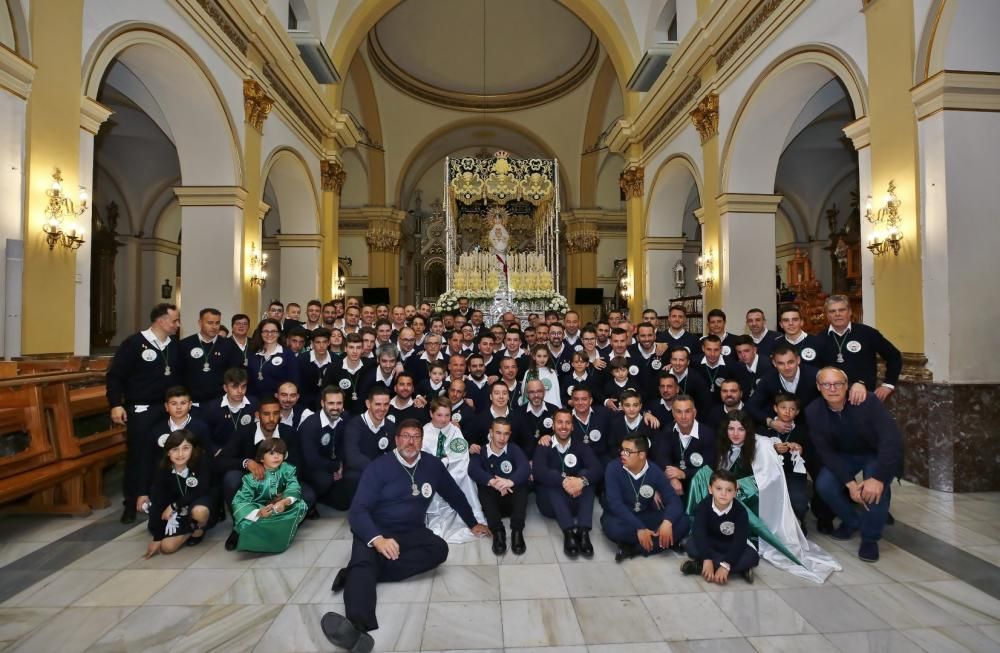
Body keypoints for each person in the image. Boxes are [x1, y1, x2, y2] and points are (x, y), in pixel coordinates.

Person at [322, 419, 489, 652]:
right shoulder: (378, 467)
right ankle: (357, 628)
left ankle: (359, 573)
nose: (411, 441)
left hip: (411, 530)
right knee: (364, 564)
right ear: (396, 439)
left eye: (416, 436)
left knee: (439, 550)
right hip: (375, 529)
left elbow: (453, 493)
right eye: (406, 436)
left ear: (422, 440)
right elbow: (358, 511)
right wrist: (378, 540)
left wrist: (473, 523)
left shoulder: (431, 465)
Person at [807, 367, 902, 562]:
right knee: (825, 485)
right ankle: (852, 521)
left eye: (838, 384)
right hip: (844, 455)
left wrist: (878, 478)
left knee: (875, 492)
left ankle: (870, 538)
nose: (832, 388)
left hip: (874, 453)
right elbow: (826, 452)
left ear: (846, 386)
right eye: (826, 384)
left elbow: (890, 440)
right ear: (818, 387)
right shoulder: (813, 411)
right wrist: (850, 484)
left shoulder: (867, 401)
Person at [107, 302, 180, 523]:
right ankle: (131, 503)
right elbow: (115, 376)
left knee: (166, 454)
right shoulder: (134, 343)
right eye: (175, 320)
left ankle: (159, 497)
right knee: (139, 454)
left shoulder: (174, 346)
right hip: (141, 408)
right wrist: (115, 404)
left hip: (168, 409)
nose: (178, 324)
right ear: (161, 320)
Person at [215, 395, 300, 551]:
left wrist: (284, 489)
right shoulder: (244, 432)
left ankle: (274, 525)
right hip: (252, 486)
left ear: (280, 415)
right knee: (231, 478)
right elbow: (221, 461)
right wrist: (247, 462)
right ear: (257, 415)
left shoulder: (289, 433)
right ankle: (239, 526)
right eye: (266, 414)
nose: (271, 418)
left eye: (275, 413)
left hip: (280, 485)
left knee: (307, 496)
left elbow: (299, 464)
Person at [602, 434, 689, 562]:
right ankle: (665, 542)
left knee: (684, 522)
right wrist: (639, 528)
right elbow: (616, 505)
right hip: (622, 518)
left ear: (642, 455)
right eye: (622, 449)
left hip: (646, 515)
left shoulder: (654, 471)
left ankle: (633, 549)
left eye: (628, 451)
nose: (622, 454)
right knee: (613, 528)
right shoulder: (613, 468)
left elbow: (674, 500)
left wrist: (667, 522)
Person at [532, 408, 602, 557]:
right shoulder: (544, 445)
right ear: (553, 425)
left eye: (567, 423)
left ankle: (583, 532)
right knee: (551, 478)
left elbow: (597, 469)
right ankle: (568, 532)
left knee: (586, 477)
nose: (563, 426)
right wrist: (565, 481)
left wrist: (581, 482)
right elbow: (538, 472)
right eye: (560, 422)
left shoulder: (581, 445)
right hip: (550, 505)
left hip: (575, 501)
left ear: (572, 426)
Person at [422, 397, 487, 543]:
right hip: (432, 475)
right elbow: (423, 459)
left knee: (466, 476)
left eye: (447, 415)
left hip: (454, 472)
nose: (444, 420)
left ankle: (471, 516)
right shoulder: (424, 433)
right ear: (431, 414)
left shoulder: (455, 431)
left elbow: (461, 456)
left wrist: (445, 464)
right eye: (439, 415)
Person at [681, 469, 759, 584]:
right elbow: (699, 532)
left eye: (729, 490)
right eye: (719, 489)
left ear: (735, 492)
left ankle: (700, 566)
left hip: (730, 546)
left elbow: (740, 540)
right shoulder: (704, 506)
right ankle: (737, 569)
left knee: (753, 556)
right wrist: (707, 558)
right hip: (710, 544)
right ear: (710, 489)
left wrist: (726, 565)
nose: (723, 493)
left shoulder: (740, 511)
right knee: (690, 544)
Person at [231, 438, 309, 553]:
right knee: (245, 522)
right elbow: (239, 501)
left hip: (279, 508)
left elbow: (293, 486)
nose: (277, 457)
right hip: (260, 512)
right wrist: (258, 512)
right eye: (272, 453)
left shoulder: (287, 469)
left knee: (300, 505)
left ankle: (279, 535)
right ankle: (263, 540)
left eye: (280, 453)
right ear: (262, 458)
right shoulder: (251, 478)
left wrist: (284, 502)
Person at [145, 429, 213, 558]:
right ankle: (191, 528)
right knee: (167, 547)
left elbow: (201, 489)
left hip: (199, 502)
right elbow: (158, 503)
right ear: (168, 452)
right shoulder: (162, 470)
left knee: (200, 512)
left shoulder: (201, 463)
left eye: (186, 448)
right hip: (178, 514)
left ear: (193, 449)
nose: (180, 454)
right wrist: (157, 538)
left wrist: (174, 505)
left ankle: (199, 528)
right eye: (175, 449)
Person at [821, 295, 902, 405]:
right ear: (827, 315)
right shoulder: (819, 338)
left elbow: (894, 356)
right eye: (832, 311)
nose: (837, 314)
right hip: (831, 400)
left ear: (849, 312)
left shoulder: (868, 333)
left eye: (842, 310)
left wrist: (888, 384)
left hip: (864, 397)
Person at [468, 417, 529, 555]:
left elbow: (525, 468)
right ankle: (498, 533)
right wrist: (493, 482)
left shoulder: (513, 448)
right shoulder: (481, 450)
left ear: (510, 434)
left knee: (521, 485)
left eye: (506, 434)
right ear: (491, 432)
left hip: (512, 502)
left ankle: (517, 531)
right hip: (493, 505)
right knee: (484, 487)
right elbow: (472, 470)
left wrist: (509, 482)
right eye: (498, 433)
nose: (502, 438)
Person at [178, 308, 244, 408]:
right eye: (210, 323)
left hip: (219, 403)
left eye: (217, 323)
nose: (214, 327)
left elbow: (236, 374)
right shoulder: (185, 344)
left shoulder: (229, 346)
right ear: (200, 323)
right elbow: (179, 374)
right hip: (192, 403)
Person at [341, 386, 397, 502]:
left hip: (381, 471)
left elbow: (394, 453)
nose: (382, 408)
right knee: (355, 478)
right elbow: (352, 457)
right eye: (377, 404)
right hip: (360, 471)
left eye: (386, 404)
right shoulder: (354, 425)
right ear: (368, 404)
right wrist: (376, 470)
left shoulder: (390, 426)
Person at [299, 386, 350, 510]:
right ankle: (311, 498)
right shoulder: (311, 424)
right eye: (331, 403)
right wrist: (336, 466)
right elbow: (311, 460)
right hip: (310, 469)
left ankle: (324, 496)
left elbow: (344, 444)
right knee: (324, 481)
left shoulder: (345, 418)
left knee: (344, 503)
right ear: (322, 403)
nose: (335, 408)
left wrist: (341, 464)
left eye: (339, 403)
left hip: (332, 464)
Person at [766, 393, 810, 531]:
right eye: (783, 407)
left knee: (798, 502)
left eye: (792, 409)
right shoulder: (764, 429)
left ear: (797, 412)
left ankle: (798, 522)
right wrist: (772, 448)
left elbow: (811, 454)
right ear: (775, 408)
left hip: (793, 474)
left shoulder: (803, 431)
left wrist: (801, 450)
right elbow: (755, 452)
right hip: (769, 474)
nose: (787, 411)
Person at [247, 318, 301, 401]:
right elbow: (249, 381)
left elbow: (294, 381)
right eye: (265, 331)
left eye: (273, 331)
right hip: (255, 402)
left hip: (278, 403)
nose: (269, 334)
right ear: (260, 333)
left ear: (279, 333)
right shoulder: (253, 353)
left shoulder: (288, 354)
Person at [510, 378, 560, 458]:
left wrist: (551, 436)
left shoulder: (555, 410)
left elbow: (562, 435)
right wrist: (524, 461)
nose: (536, 395)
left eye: (539, 391)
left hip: (550, 460)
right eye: (532, 392)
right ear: (526, 394)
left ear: (544, 392)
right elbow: (512, 443)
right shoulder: (517, 414)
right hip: (525, 461)